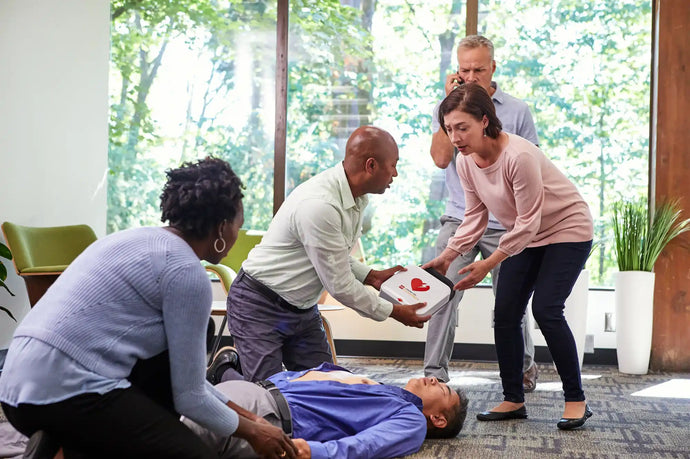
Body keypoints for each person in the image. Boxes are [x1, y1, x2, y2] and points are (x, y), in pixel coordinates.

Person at [0, 158, 296, 459]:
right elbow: (190, 398)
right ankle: (64, 440)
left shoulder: (129, 239)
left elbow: (187, 383)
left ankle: (60, 444)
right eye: (237, 226)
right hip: (67, 395)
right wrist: (254, 432)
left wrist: (251, 418)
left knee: (188, 342)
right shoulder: (186, 271)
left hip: (14, 388)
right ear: (221, 228)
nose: (236, 237)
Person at [424, 83, 594, 430]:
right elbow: (475, 216)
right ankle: (513, 398)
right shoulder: (466, 161)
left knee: (547, 309)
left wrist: (487, 264)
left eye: (462, 127)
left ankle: (576, 398)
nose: (455, 137)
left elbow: (528, 223)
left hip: (566, 228)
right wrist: (447, 257)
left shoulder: (519, 155)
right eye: (449, 129)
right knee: (505, 313)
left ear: (485, 121)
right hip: (525, 235)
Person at [227, 126, 430, 382]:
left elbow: (331, 253)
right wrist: (394, 311)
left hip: (301, 309)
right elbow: (340, 286)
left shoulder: (356, 197)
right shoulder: (320, 205)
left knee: (331, 389)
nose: (396, 173)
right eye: (393, 165)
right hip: (259, 304)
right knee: (269, 395)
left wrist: (372, 276)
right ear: (371, 165)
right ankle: (225, 375)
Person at [426, 34, 539, 391]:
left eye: (478, 69)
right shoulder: (448, 107)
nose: (471, 76)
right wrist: (449, 103)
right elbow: (442, 158)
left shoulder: (517, 111)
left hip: (504, 223)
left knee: (511, 299)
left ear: (493, 69)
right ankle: (434, 373)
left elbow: (531, 166)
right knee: (442, 290)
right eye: (464, 69)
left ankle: (522, 369)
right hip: (460, 216)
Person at [188, 350, 468, 459]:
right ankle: (224, 374)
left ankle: (224, 373)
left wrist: (311, 451)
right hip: (256, 392)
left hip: (265, 416)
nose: (433, 379)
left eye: (441, 389)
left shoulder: (411, 418)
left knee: (170, 437)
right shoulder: (389, 392)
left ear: (439, 420)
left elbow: (367, 446)